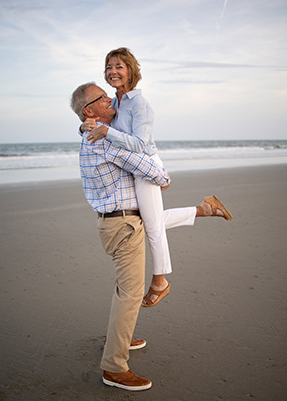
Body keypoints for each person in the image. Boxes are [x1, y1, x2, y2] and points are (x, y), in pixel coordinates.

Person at [71, 82, 233, 391]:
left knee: (125, 288)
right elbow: (158, 174)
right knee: (130, 294)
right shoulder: (106, 142)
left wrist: (85, 125)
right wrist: (161, 175)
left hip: (115, 223)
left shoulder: (90, 136)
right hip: (124, 225)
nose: (109, 98)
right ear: (89, 111)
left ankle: (123, 336)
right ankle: (114, 368)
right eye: (101, 98)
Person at [80, 47, 232, 307]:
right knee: (148, 221)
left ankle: (160, 281)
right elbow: (95, 120)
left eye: (119, 66)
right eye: (109, 67)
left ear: (130, 71)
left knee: (150, 226)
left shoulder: (140, 104)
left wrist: (107, 132)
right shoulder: (113, 103)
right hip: (133, 166)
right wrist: (84, 125)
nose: (113, 71)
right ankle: (204, 209)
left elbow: (139, 144)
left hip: (146, 164)